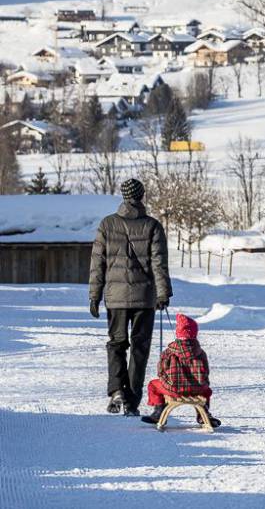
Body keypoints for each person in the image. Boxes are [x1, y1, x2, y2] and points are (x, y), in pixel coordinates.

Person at [88, 178, 172, 416]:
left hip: (115, 298)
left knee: (116, 344)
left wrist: (94, 295)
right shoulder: (153, 226)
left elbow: (97, 264)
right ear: (142, 195)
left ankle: (116, 391)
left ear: (123, 196)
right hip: (145, 298)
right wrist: (163, 292)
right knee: (140, 348)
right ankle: (133, 400)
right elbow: (159, 264)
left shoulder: (107, 224)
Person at [141, 314, 220, 428]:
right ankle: (203, 415)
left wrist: (166, 381)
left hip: (174, 389)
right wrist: (202, 384)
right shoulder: (201, 352)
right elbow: (205, 372)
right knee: (207, 391)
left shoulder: (168, 352)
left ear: (178, 333)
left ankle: (158, 411)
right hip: (196, 389)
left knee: (153, 385)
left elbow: (161, 371)